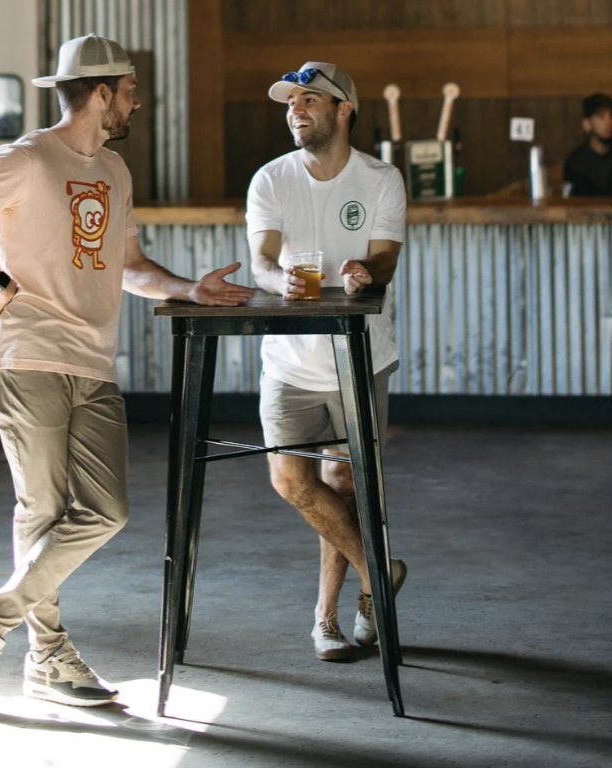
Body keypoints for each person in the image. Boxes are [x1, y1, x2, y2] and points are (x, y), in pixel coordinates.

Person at [0, 33, 253, 712]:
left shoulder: (115, 174)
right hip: (26, 356)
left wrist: (193, 289)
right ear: (101, 92)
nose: (137, 100)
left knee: (106, 510)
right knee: (41, 511)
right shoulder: (25, 159)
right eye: (130, 89)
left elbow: (129, 267)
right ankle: (47, 658)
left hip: (92, 363)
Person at [246, 62, 407, 662]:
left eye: (310, 99)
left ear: (344, 110)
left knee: (345, 482)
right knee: (290, 479)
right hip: (288, 362)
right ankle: (378, 574)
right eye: (291, 101)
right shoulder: (270, 179)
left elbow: (385, 258)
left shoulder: (382, 179)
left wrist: (368, 273)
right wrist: (275, 277)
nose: (296, 109)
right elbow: (261, 260)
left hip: (359, 360)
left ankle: (329, 618)